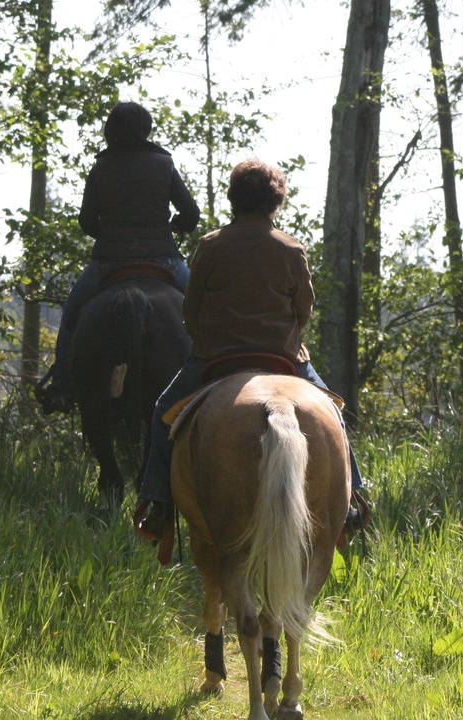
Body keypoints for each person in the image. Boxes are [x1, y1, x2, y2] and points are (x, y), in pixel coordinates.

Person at [132, 157, 368, 543]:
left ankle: (157, 500)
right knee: (333, 414)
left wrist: (206, 340)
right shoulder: (291, 249)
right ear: (275, 201)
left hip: (216, 357)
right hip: (283, 358)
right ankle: (351, 500)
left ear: (234, 199)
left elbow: (190, 310)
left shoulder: (210, 245)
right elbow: (304, 310)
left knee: (163, 410)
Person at [35, 101, 200, 413]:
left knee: (71, 316)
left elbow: (86, 220)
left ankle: (61, 386)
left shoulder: (101, 168)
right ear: (146, 128)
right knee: (206, 312)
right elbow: (191, 213)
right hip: (163, 258)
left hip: (109, 262)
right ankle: (219, 378)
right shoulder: (164, 164)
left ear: (110, 131)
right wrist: (178, 227)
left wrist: (110, 236)